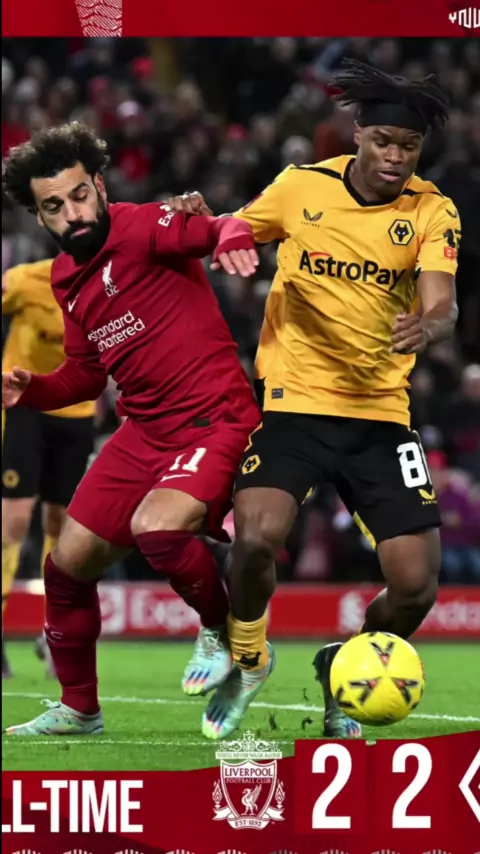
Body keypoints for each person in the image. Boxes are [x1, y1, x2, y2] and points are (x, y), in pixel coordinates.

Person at [168, 59, 460, 740]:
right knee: (255, 540)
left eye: (409, 146)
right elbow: (233, 228)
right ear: (357, 134)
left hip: (380, 416)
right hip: (294, 405)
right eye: (383, 141)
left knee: (416, 586)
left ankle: (341, 667)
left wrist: (430, 325)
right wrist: (195, 217)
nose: (395, 157)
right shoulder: (302, 186)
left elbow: (442, 300)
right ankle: (248, 659)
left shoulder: (431, 208)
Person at [2, 121, 261, 737]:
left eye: (79, 195)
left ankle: (227, 637)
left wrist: (234, 234)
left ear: (99, 184)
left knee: (156, 528)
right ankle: (80, 710)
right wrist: (30, 390)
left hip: (213, 418)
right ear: (39, 217)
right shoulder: (64, 278)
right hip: (144, 432)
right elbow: (85, 377)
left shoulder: (145, 226)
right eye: (54, 207)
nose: (73, 214)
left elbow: (216, 228)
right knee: (66, 568)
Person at [2, 259, 96, 679]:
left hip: (77, 411)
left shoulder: (110, 283)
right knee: (15, 519)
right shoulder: (26, 279)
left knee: (63, 524)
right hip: (25, 406)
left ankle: (53, 630)